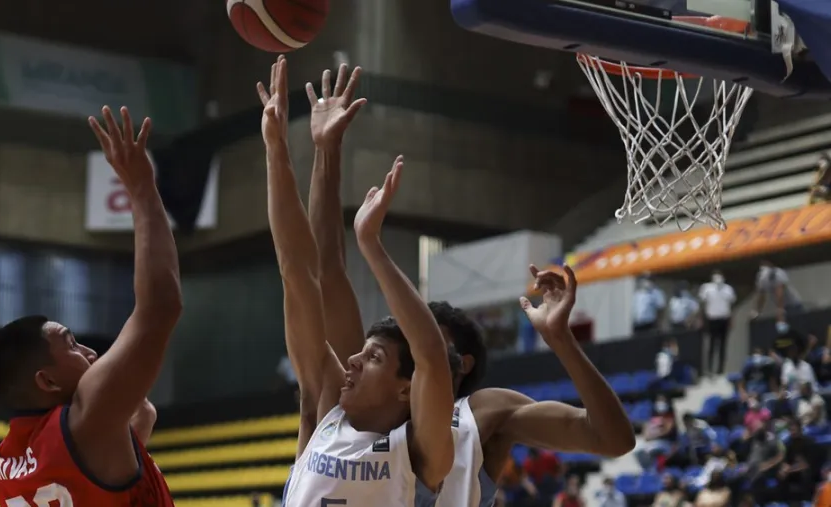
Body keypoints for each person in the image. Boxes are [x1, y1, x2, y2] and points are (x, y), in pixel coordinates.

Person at [300, 62, 635, 507]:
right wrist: (327, 149)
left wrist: (561, 340)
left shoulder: (482, 413)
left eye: (429, 346)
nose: (420, 351)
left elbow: (612, 439)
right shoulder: (362, 401)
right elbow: (325, 267)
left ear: (460, 363)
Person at [259, 56, 455, 506]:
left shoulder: (421, 450)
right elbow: (302, 272)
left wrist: (371, 243)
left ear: (407, 387)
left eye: (372, 357)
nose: (350, 361)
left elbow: (429, 354)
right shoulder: (325, 408)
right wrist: (281, 151)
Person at [0, 107, 180, 506]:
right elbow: (161, 306)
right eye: (70, 344)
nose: (89, 351)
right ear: (47, 381)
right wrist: (141, 188)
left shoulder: (8, 464)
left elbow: (93, 472)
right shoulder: (87, 417)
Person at [698, 270, 736, 375]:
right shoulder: (707, 288)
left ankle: (720, 369)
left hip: (724, 319)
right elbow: (703, 304)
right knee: (711, 344)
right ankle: (709, 368)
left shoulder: (728, 289)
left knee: (723, 345)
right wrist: (701, 318)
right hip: (712, 319)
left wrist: (731, 319)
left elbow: (731, 305)